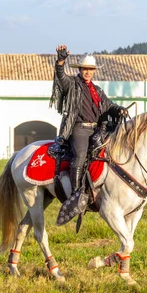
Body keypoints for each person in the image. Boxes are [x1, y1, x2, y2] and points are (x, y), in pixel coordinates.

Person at [49, 45, 128, 226]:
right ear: (80, 70)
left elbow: (108, 105)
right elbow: (60, 78)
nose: (88, 72)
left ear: (94, 72)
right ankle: (76, 196)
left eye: (91, 70)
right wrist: (61, 62)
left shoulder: (97, 90)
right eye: (85, 69)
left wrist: (120, 109)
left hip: (97, 129)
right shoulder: (72, 84)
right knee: (81, 156)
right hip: (78, 129)